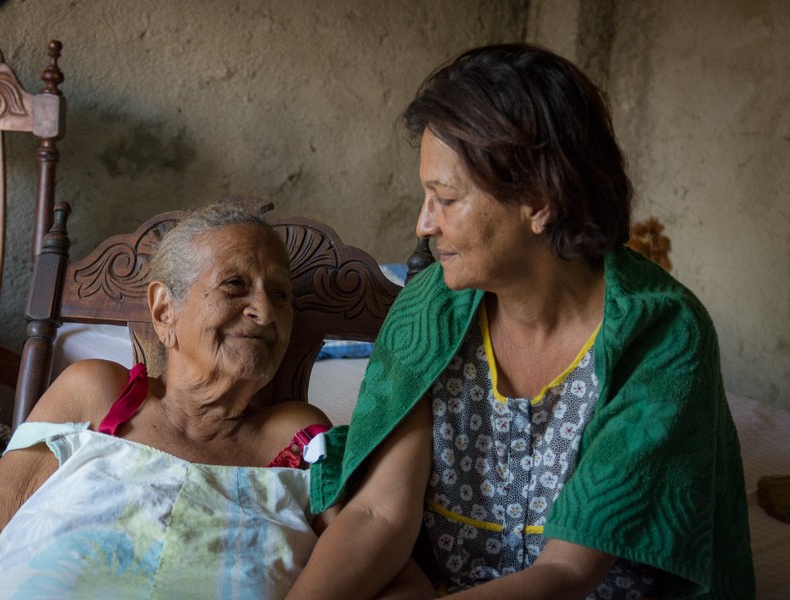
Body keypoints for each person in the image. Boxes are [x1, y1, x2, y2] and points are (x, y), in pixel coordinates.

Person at [289, 43, 755, 599]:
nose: (424, 223)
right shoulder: (431, 309)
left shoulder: (660, 335)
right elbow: (379, 516)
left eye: (446, 198)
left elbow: (565, 574)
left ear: (540, 201)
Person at [0, 199, 334, 598]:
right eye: (235, 285)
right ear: (165, 311)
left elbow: (392, 573)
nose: (264, 310)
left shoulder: (298, 439)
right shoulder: (94, 396)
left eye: (280, 294)